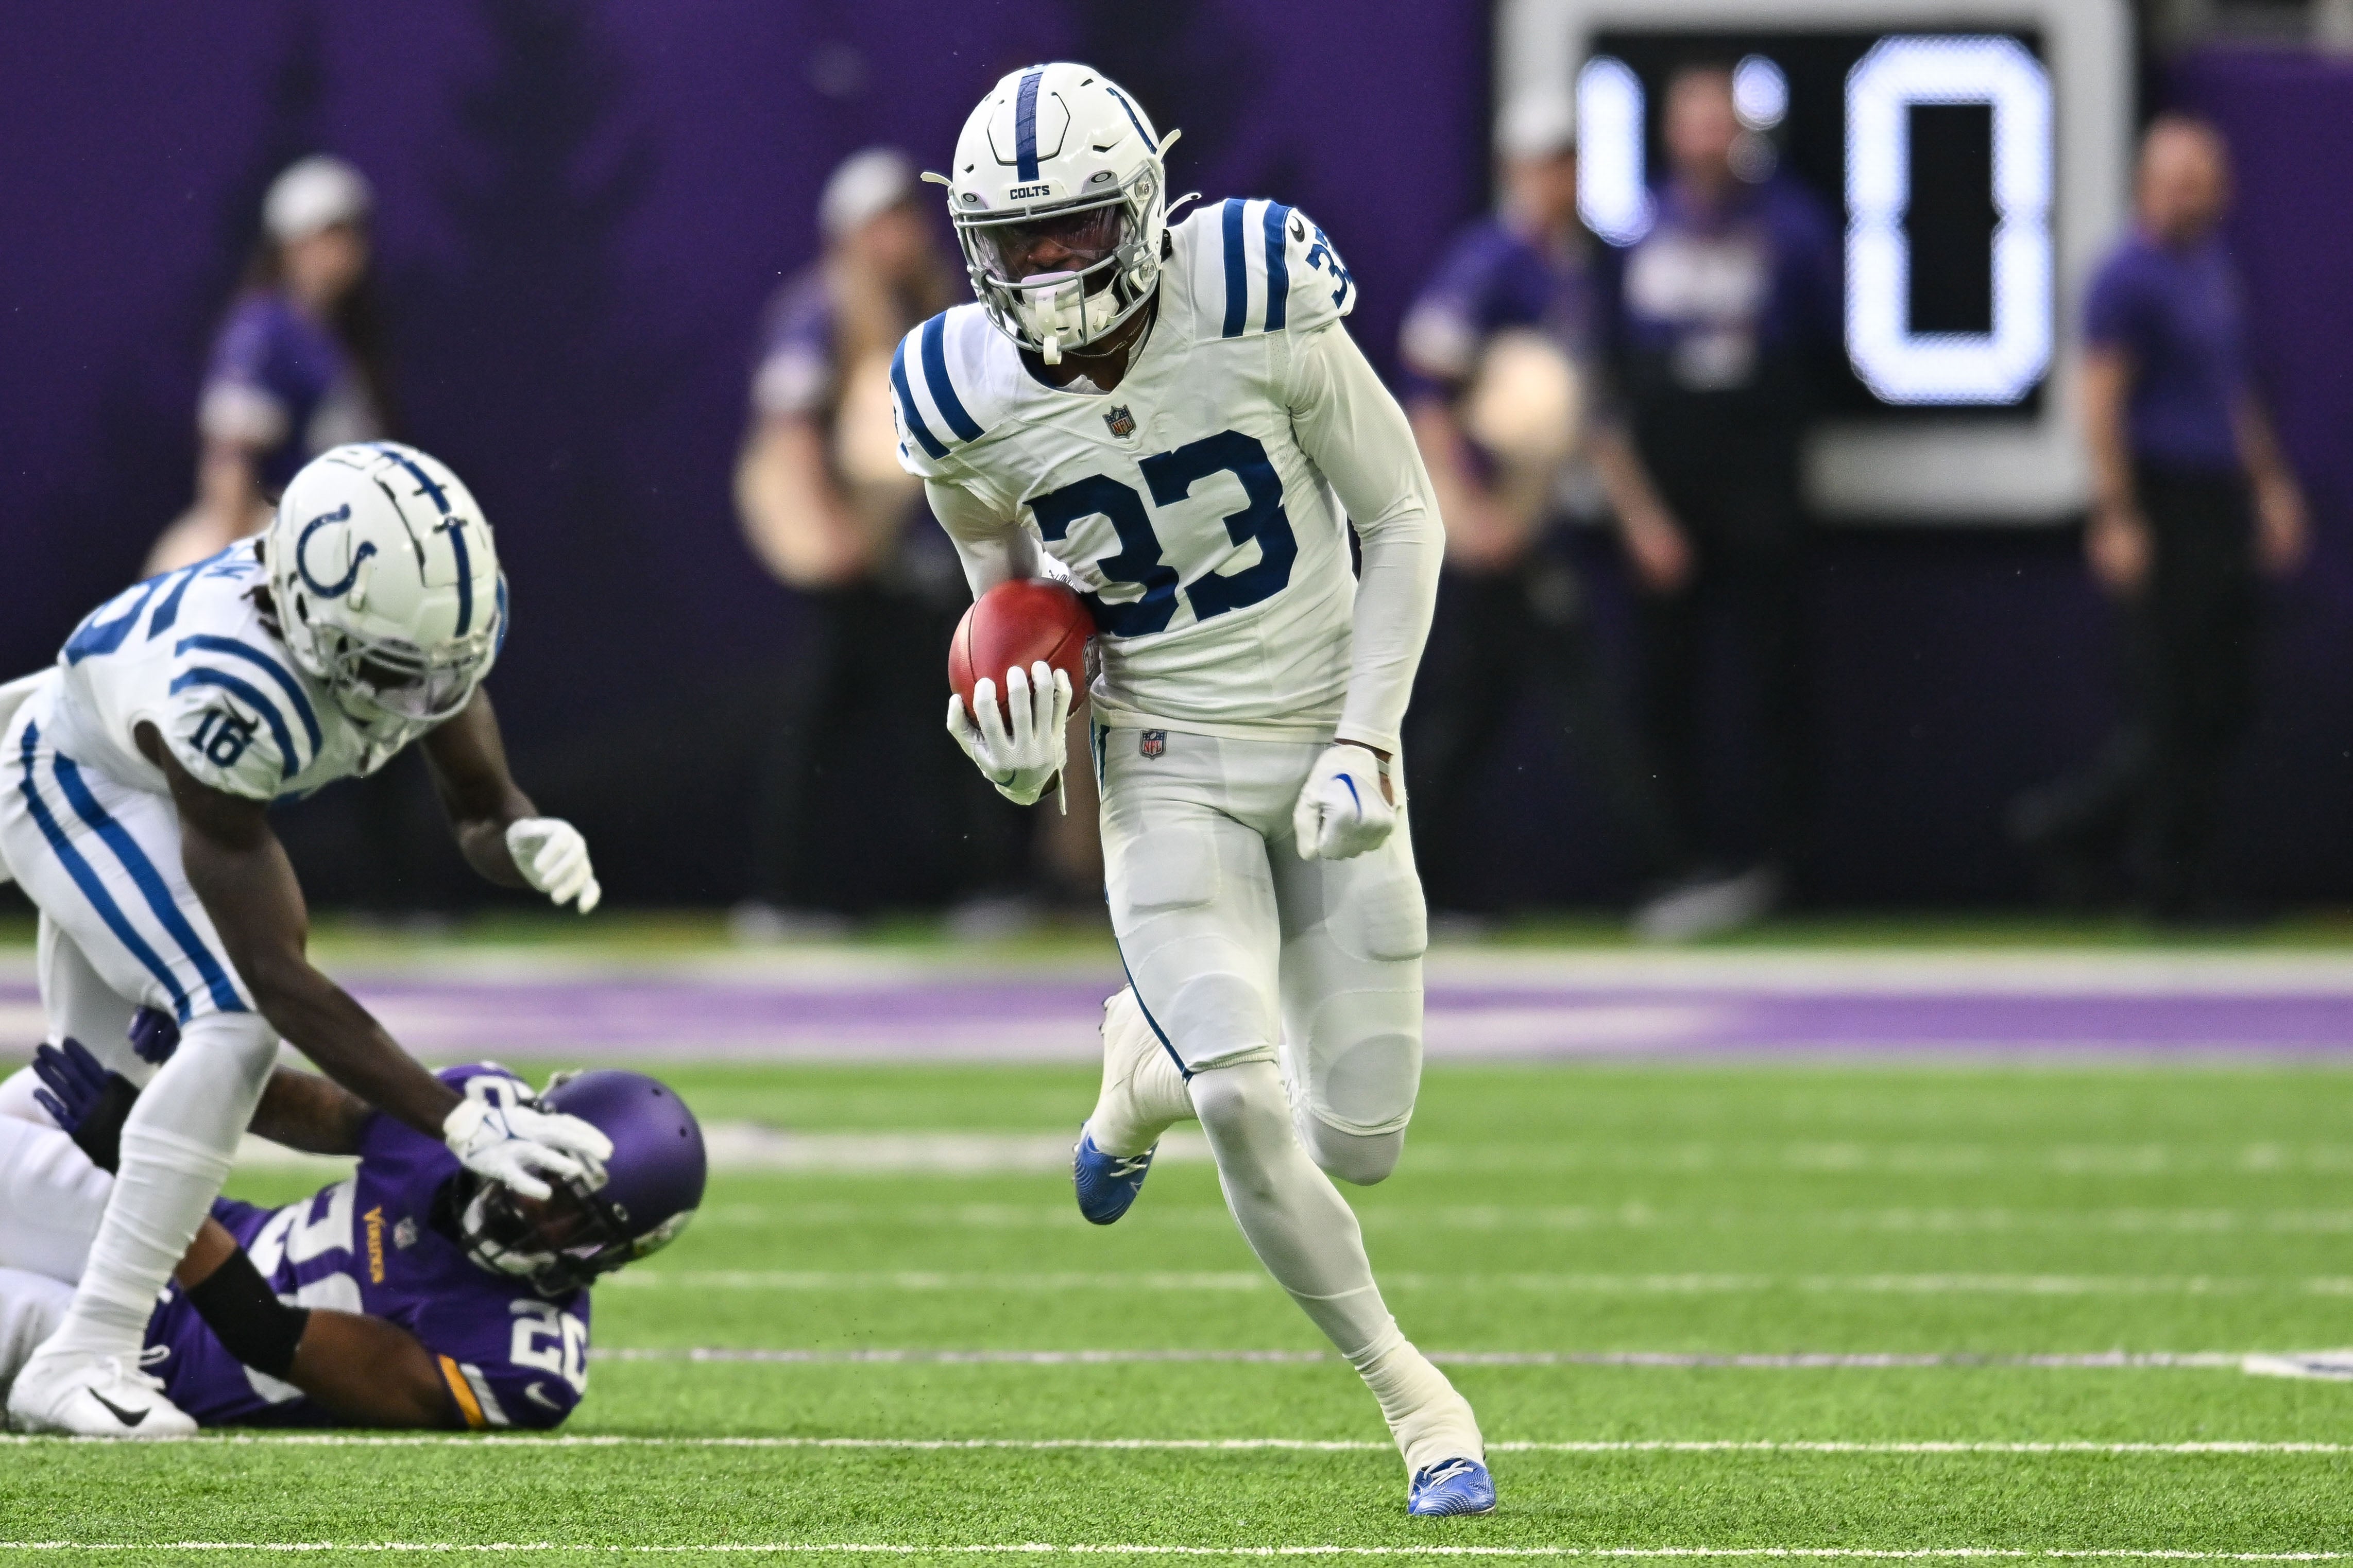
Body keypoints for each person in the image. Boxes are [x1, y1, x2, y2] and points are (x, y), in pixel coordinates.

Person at [893, 64, 1491, 1517]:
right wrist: (1016, 744)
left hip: (1327, 734)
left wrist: (1367, 733)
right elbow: (1004, 611)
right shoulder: (953, 392)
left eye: (1071, 228)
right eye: (1013, 239)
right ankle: (1417, 1399)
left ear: (1145, 211)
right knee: (1247, 1101)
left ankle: (1141, 1068)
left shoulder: (1254, 287)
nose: (1042, 269)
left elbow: (1405, 515)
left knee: (1363, 1134)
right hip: (1163, 761)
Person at [0, 441, 612, 1437]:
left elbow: (477, 803)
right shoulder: (230, 691)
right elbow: (275, 977)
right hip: (78, 783)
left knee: (121, 1065)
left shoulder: (404, 625)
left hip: (123, 761)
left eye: (440, 672)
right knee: (232, 1025)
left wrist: (518, 835)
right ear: (306, 616)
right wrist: (453, 1119)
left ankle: (73, 1269)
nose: (420, 703)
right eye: (392, 674)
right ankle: (93, 1350)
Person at [1397, 96, 1741, 932]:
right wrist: (1466, 513)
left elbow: (1586, 419)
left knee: (1529, 714)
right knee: (1468, 720)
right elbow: (1426, 395)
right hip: (1485, 535)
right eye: (1547, 161)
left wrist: (1640, 519)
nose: (1562, 176)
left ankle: (1661, 877)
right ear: (1517, 169)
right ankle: (1408, 895)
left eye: (1570, 159)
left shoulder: (1576, 271)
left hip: (1535, 525)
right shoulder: (1489, 263)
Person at [0, 1039, 703, 1429]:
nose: (537, 1216)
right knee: (52, 1087)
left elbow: (263, 1330)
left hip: (160, 1357)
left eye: (578, 1228)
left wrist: (140, 1162)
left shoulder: (523, 1362)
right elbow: (324, 1111)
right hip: (203, 1228)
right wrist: (188, 1069)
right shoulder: (471, 1111)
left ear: (615, 1256)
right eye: (550, 1182)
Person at [2009, 116, 2308, 919]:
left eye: (2204, 178)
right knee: (2174, 702)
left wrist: (2270, 488)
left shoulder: (2210, 268)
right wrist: (2119, 513)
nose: (2192, 194)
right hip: (2165, 498)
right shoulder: (2126, 277)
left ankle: (2081, 833)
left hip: (2216, 499)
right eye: (2177, 179)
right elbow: (2100, 402)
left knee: (2222, 696)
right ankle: (2164, 879)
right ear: (2146, 184)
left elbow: (2233, 393)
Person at [733, 148, 1034, 934]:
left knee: (953, 721)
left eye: (906, 217)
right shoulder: (823, 312)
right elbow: (789, 433)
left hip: (925, 557)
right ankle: (792, 891)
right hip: (858, 559)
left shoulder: (937, 308)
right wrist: (828, 535)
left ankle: (975, 885)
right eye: (882, 221)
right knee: (824, 726)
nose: (899, 235)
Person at [1589, 61, 1842, 931]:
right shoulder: (1639, 230)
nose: (1705, 140)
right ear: (1667, 133)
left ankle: (1785, 869)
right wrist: (1641, 509)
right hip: (1667, 483)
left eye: (1718, 123)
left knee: (1776, 679)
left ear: (1742, 132)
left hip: (1758, 479)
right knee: (1662, 686)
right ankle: (1673, 865)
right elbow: (1612, 380)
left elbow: (1821, 352)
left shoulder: (1791, 226)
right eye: (1689, 122)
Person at [149, 157, 391, 575]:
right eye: (329, 234)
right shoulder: (264, 327)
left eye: (351, 233)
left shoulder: (335, 334)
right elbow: (231, 453)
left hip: (329, 549)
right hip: (278, 543)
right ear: (291, 244)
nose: (345, 248)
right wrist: (234, 566)